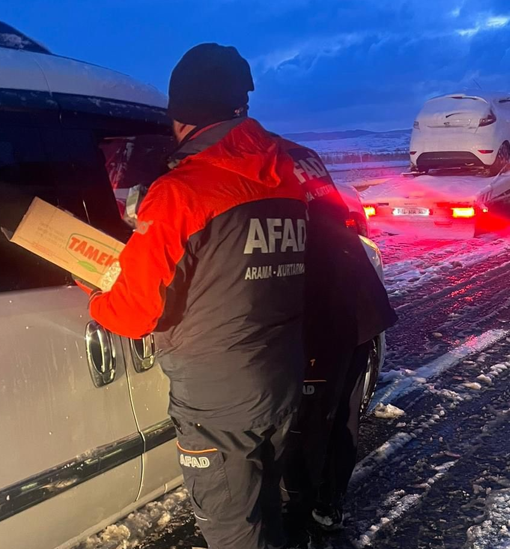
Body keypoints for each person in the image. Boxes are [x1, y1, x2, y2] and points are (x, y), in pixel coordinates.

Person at [85, 44, 308, 549]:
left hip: (218, 399)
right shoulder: (285, 180)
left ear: (181, 115)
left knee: (232, 527)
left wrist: (96, 287)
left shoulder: (180, 193)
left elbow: (131, 314)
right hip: (278, 374)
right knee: (264, 505)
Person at [276, 141, 397, 544]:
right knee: (337, 415)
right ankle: (327, 505)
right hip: (350, 300)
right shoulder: (295, 153)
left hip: (325, 308)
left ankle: (304, 517)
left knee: (309, 425)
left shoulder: (258, 165)